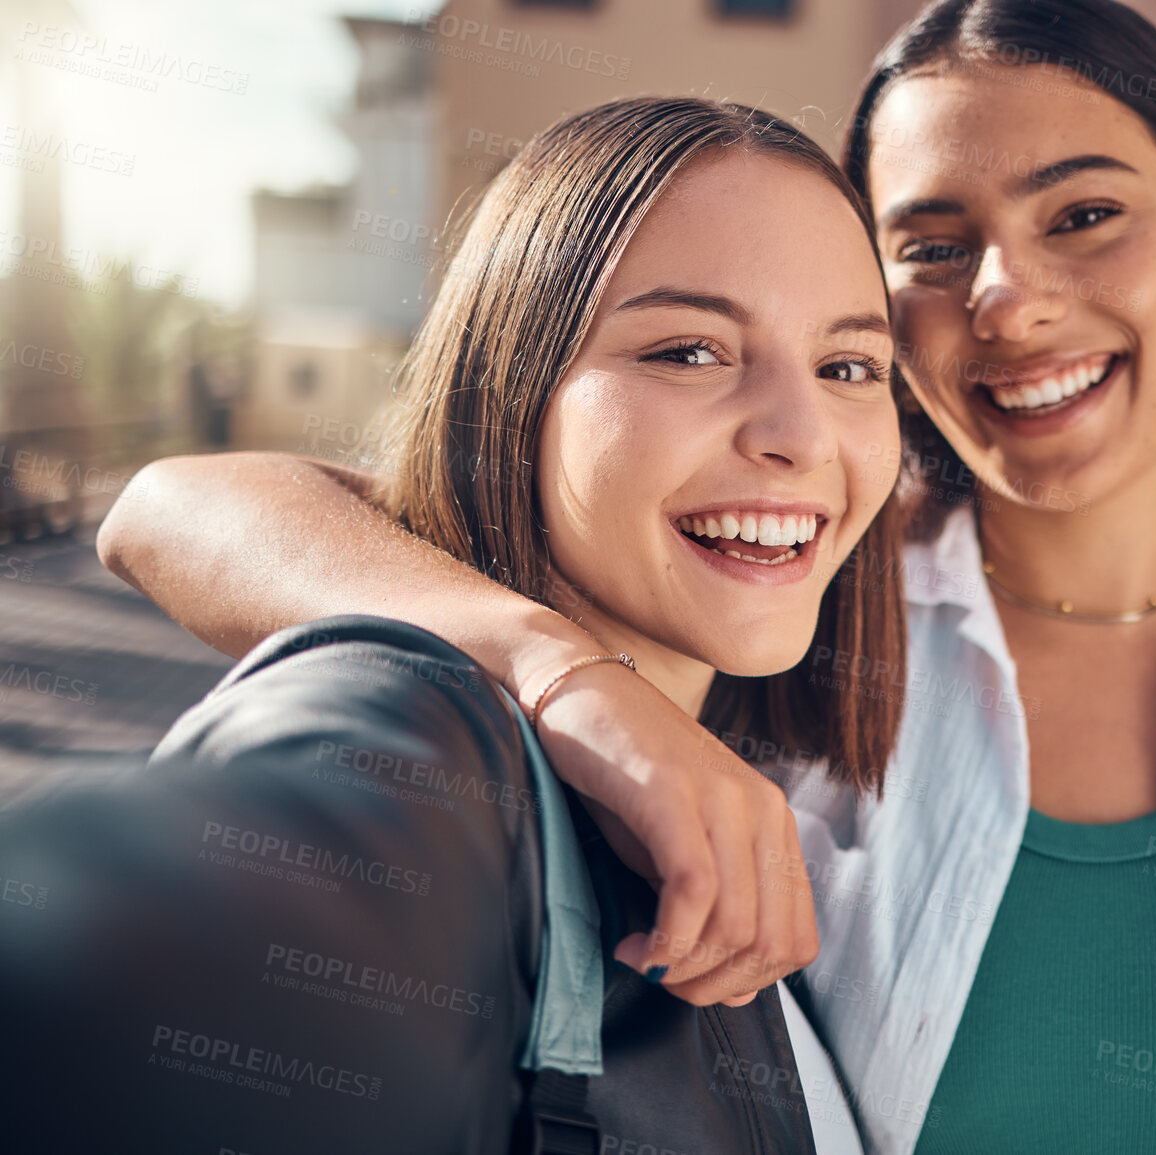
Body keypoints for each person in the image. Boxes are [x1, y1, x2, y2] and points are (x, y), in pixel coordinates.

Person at [98, 2, 1156, 1152]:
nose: (1011, 300)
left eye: (1083, 215)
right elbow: (186, 504)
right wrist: (576, 691)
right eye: (930, 244)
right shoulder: (782, 618)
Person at [11, 94, 917, 1153]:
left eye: (848, 367)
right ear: (514, 388)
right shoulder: (427, 742)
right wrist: (568, 678)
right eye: (689, 352)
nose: (800, 435)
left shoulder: (762, 784)